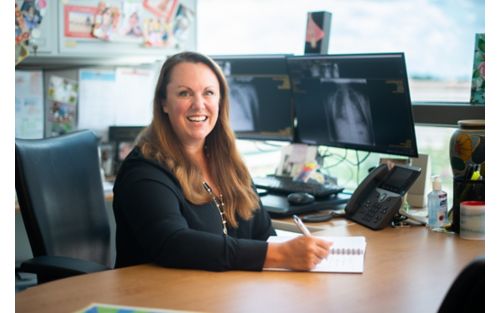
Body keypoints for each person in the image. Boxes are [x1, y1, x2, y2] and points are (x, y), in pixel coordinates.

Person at [113, 51, 332, 271]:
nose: (199, 105)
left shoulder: (228, 163)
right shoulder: (144, 170)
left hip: (226, 294)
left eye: (208, 93)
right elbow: (173, 243)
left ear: (220, 101)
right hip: (160, 298)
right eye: (184, 93)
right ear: (164, 103)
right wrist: (280, 254)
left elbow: (263, 234)